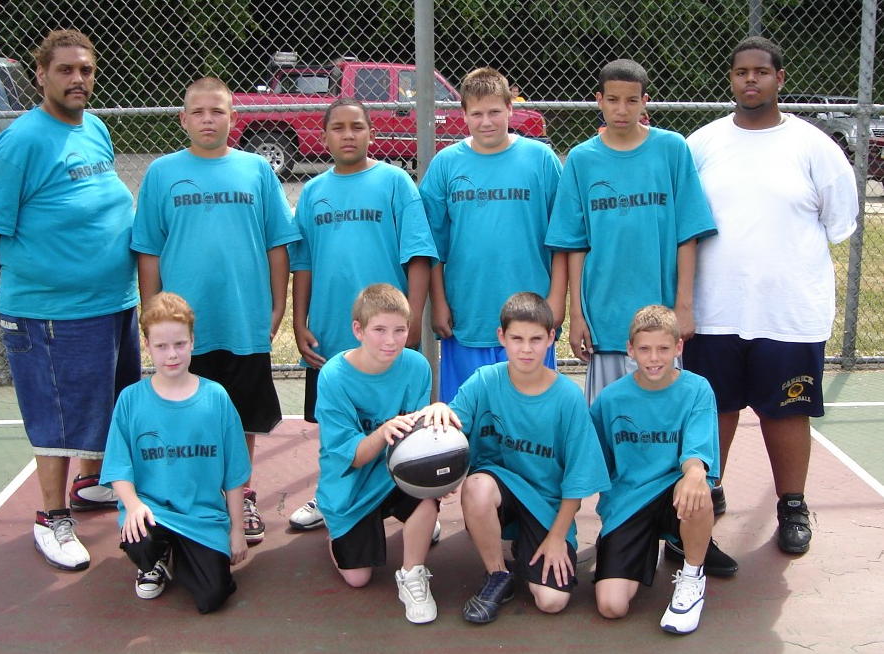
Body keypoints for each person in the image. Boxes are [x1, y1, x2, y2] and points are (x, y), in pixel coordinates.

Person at [0, 29, 140, 571]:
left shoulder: (95, 128)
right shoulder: (22, 141)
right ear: (41, 75)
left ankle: (90, 484)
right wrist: (15, 279)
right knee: (58, 419)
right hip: (51, 312)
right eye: (65, 70)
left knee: (104, 404)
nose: (77, 79)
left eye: (85, 69)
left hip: (111, 301)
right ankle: (51, 517)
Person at [684, 37, 857, 555]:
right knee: (713, 408)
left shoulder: (814, 146)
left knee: (786, 412)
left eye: (761, 72)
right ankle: (709, 491)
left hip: (788, 312)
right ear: (731, 79)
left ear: (779, 79)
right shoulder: (703, 144)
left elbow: (838, 221)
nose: (751, 80)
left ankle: (792, 505)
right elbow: (684, 223)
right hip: (714, 310)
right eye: (741, 72)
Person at [131, 77, 300, 546]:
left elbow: (277, 243)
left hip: (243, 319)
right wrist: (152, 313)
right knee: (187, 414)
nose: (208, 120)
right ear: (183, 119)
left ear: (233, 118)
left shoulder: (256, 170)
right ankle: (196, 499)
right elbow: (148, 250)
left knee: (242, 417)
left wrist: (278, 304)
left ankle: (241, 495)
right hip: (183, 329)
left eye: (218, 111)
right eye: (199, 112)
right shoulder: (162, 173)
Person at [286, 98, 437, 531]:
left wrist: (413, 320)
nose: (348, 135)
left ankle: (415, 499)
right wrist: (299, 322)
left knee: (401, 421)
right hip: (332, 331)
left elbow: (418, 255)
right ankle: (331, 494)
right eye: (338, 128)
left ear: (371, 132)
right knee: (335, 423)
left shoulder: (395, 183)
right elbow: (303, 264)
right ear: (324, 136)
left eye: (357, 126)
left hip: (384, 333)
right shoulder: (313, 192)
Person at [420, 292, 610, 624]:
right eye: (517, 339)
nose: (526, 349)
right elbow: (451, 425)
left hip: (546, 505)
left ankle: (528, 545)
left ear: (551, 338)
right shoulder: (485, 381)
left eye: (536, 339)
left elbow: (578, 481)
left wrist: (556, 538)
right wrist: (439, 408)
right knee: (477, 486)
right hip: (500, 492)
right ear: (502, 337)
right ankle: (498, 574)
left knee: (552, 601)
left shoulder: (568, 398)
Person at [546, 59, 716, 404]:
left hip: (660, 325)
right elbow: (575, 245)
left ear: (645, 102)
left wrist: (683, 306)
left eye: (631, 100)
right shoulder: (581, 159)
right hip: (605, 322)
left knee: (660, 423)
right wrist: (578, 315)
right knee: (609, 423)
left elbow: (688, 235)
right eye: (612, 100)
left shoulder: (672, 149)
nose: (621, 110)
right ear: (599, 100)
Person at [420, 67, 566, 403]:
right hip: (468, 316)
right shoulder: (446, 164)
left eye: (495, 112)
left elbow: (563, 239)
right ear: (463, 114)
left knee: (530, 413)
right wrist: (439, 302)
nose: (486, 122)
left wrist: (557, 300)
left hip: (531, 318)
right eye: (477, 114)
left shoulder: (541, 159)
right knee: (468, 415)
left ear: (511, 108)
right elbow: (432, 246)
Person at [100, 293, 249, 613]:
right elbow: (118, 467)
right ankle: (152, 560)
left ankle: (180, 553)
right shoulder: (130, 400)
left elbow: (235, 473)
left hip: (202, 516)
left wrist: (237, 530)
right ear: (147, 345)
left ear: (192, 341)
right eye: (161, 346)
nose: (172, 354)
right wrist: (133, 504)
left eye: (180, 344)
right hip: (152, 510)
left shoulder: (216, 397)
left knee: (213, 597)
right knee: (141, 538)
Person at [590, 305, 722, 635]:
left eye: (663, 348)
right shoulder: (610, 399)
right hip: (628, 501)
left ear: (678, 347)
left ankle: (692, 576)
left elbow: (696, 456)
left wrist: (695, 473)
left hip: (675, 494)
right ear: (630, 349)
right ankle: (626, 543)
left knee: (698, 487)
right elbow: (593, 461)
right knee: (611, 606)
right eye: (645, 349)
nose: (653, 358)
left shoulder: (697, 389)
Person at [315, 283, 439, 624]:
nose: (391, 341)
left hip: (393, 474)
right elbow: (353, 457)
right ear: (358, 330)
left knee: (428, 494)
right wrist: (384, 431)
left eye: (400, 330)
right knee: (358, 578)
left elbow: (418, 438)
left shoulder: (417, 366)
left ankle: (413, 574)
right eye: (379, 330)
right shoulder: (333, 376)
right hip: (352, 482)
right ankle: (334, 521)